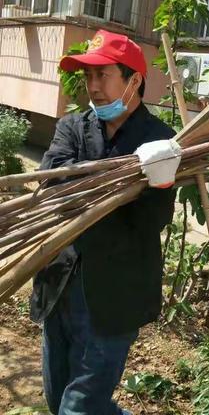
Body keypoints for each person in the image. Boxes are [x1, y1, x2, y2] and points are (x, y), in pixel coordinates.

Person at [29, 29, 181, 415]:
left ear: (134, 81)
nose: (92, 87)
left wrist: (158, 182)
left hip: (114, 295)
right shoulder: (72, 127)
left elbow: (152, 219)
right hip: (59, 281)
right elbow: (53, 183)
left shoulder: (159, 141)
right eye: (88, 77)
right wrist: (119, 181)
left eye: (103, 75)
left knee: (78, 409)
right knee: (57, 398)